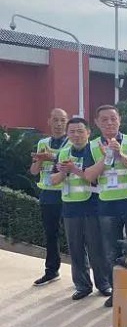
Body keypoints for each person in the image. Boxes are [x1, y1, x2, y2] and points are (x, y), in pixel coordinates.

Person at [89, 105, 127, 308]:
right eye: (104, 119)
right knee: (111, 252)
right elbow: (89, 176)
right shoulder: (92, 145)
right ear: (97, 122)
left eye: (113, 118)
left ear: (120, 119)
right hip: (107, 206)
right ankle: (117, 292)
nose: (109, 123)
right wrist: (105, 158)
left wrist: (119, 154)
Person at [51, 118, 111, 300]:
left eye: (80, 131)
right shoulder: (63, 153)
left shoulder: (96, 150)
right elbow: (53, 180)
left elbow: (97, 175)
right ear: (67, 134)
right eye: (72, 132)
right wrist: (63, 172)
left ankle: (104, 284)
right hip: (70, 207)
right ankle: (82, 286)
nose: (76, 135)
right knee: (75, 248)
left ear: (88, 132)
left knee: (96, 248)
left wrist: (74, 169)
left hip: (93, 206)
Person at [29, 108, 69, 286]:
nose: (59, 124)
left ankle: (82, 277)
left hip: (68, 194)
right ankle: (51, 271)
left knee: (76, 236)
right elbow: (33, 171)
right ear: (49, 121)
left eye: (62, 120)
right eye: (55, 120)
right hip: (47, 195)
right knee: (50, 234)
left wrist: (51, 157)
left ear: (67, 122)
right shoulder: (43, 143)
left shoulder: (72, 142)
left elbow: (71, 163)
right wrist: (39, 159)